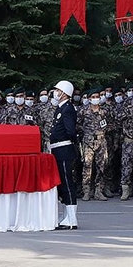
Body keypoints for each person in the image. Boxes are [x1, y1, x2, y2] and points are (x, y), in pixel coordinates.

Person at [50, 80, 79, 230]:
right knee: (62, 184)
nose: (55, 93)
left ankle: (72, 218)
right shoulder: (60, 108)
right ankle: (66, 215)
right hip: (57, 149)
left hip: (64, 149)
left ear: (64, 93)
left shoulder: (68, 109)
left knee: (67, 183)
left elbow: (71, 131)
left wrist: (68, 141)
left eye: (57, 90)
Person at [77, 89, 111, 201]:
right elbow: (77, 125)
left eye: (98, 96)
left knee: (101, 166)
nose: (96, 98)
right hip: (88, 142)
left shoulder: (104, 111)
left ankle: (98, 191)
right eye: (94, 97)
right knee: (87, 166)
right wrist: (87, 133)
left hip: (101, 142)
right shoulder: (83, 111)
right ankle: (86, 191)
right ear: (90, 98)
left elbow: (110, 124)